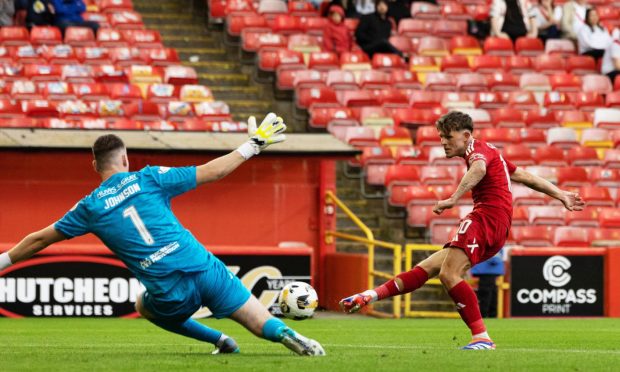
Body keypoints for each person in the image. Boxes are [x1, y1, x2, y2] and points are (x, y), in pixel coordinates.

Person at [0, 113, 325, 357]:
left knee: (143, 304)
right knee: (258, 320)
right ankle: (285, 333)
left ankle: (219, 340)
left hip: (168, 289)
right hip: (201, 265)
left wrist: (2, 262)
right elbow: (214, 171)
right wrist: (252, 145)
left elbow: (40, 239)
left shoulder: (89, 207)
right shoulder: (150, 177)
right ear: (126, 159)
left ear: (94, 165)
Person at [339, 111, 585, 350]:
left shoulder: (476, 151)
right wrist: (560, 194)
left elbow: (478, 170)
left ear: (466, 135)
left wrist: (453, 199)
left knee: (449, 274)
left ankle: (482, 337)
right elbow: (525, 176)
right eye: (441, 137)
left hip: (486, 218)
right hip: (497, 225)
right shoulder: (490, 152)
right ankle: (369, 296)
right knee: (427, 268)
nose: (443, 143)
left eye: (448, 137)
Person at [470, 249, 504, 318]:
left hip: (485, 270)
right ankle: (492, 315)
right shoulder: (497, 240)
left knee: (485, 295)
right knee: (492, 293)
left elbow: (494, 258)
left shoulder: (487, 241)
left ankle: (484, 315)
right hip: (490, 270)